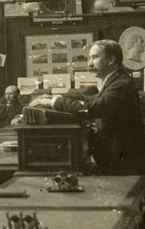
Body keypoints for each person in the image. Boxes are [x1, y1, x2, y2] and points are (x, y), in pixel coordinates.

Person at [31, 39, 145, 175]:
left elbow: (93, 107)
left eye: (95, 57)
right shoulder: (113, 80)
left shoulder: (121, 84)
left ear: (111, 59)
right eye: (89, 58)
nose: (89, 63)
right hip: (117, 157)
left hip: (125, 163)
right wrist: (54, 97)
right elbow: (88, 98)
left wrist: (54, 102)